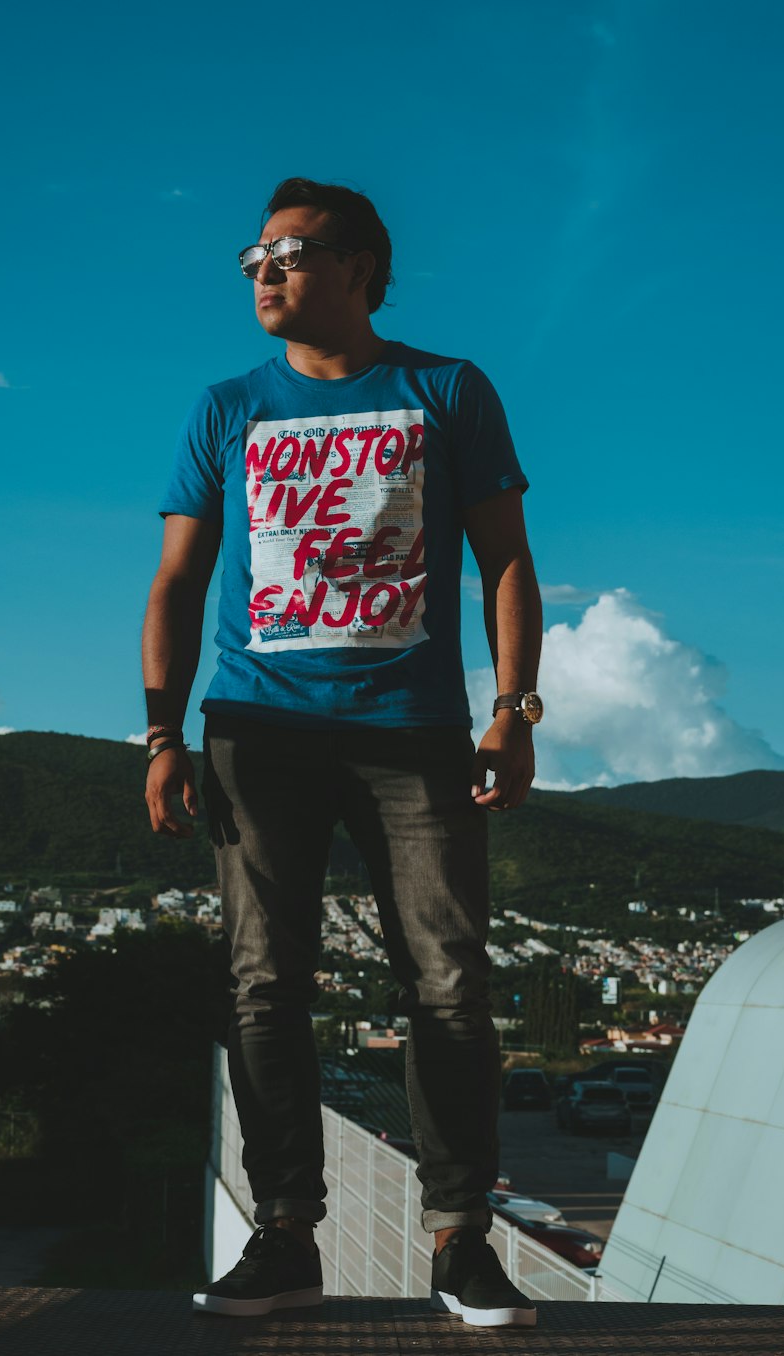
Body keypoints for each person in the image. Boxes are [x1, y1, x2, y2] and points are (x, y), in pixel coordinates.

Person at [142, 177, 544, 1328]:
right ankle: (284, 1240)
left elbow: (504, 561)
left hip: (411, 735)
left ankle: (460, 1243)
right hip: (256, 731)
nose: (263, 269)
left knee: (451, 985)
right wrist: (163, 731)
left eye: (292, 251)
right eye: (252, 255)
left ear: (362, 267)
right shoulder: (227, 407)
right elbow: (175, 581)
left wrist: (510, 708)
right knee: (266, 984)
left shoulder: (445, 388)